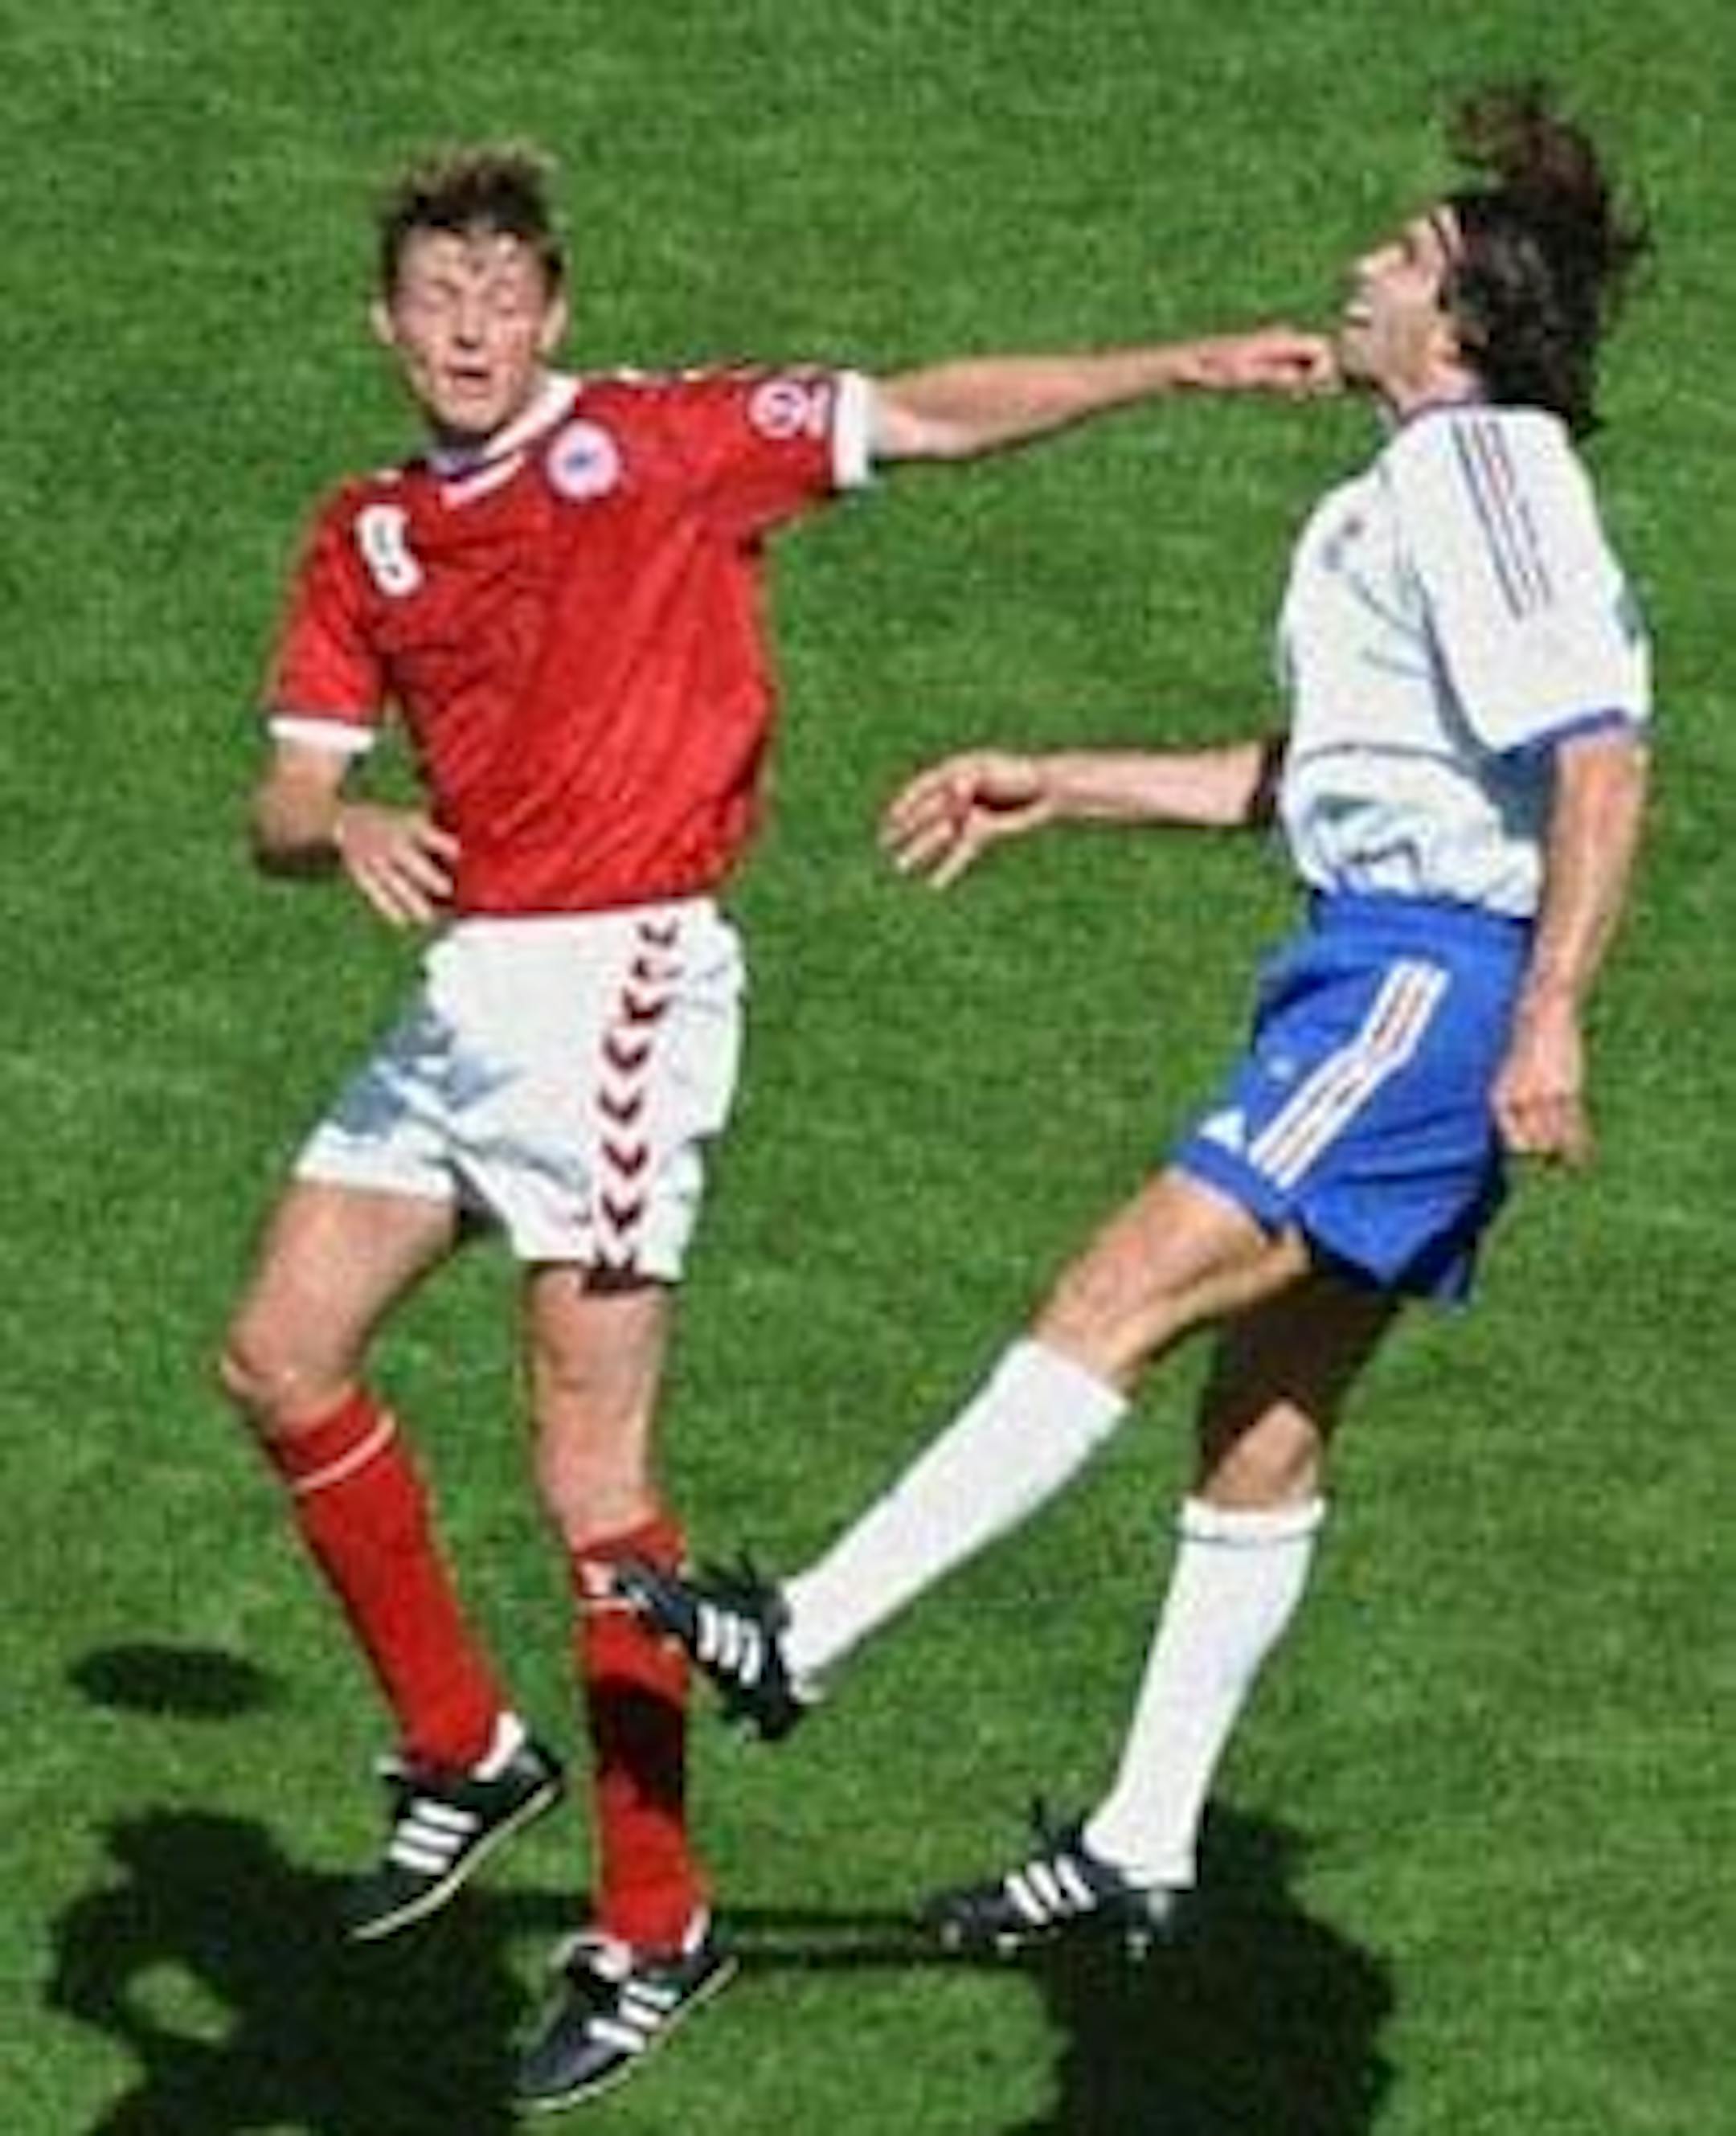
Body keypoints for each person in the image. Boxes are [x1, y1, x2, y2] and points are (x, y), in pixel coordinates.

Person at [218, 141, 1331, 2112]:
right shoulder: (365, 532)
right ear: (385, 325)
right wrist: (347, 828)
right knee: (280, 1355)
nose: (471, 329)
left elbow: (932, 414)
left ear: (554, 314)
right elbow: (286, 802)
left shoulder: (667, 445)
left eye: (503, 295)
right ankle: (465, 1751)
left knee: (590, 1474)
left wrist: (1174, 365)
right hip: (462, 997)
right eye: (437, 298)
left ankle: (656, 1928)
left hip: (619, 985)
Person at [617, 81, 1654, 1959]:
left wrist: (1550, 1019)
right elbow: (1333, 774)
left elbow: (1598, 750)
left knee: (1118, 1291)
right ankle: (1142, 1842)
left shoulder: (1480, 471)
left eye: (1405, 256)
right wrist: (1063, 782)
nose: (1362, 268)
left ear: (1463, 324)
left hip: (1426, 985)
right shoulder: (1415, 487)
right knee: (1263, 1417)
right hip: (1386, 955)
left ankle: (803, 1634)